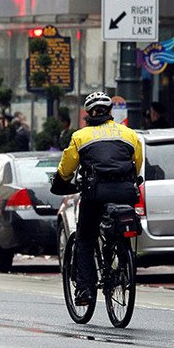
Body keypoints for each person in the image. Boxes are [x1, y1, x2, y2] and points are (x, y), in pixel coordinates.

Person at [50, 91, 142, 305]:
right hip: (126, 192)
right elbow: (137, 164)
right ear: (110, 112)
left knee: (85, 239)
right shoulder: (129, 134)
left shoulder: (81, 137)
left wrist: (60, 182)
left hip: (95, 194)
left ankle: (85, 290)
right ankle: (120, 262)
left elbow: (67, 168)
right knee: (119, 229)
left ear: (88, 113)